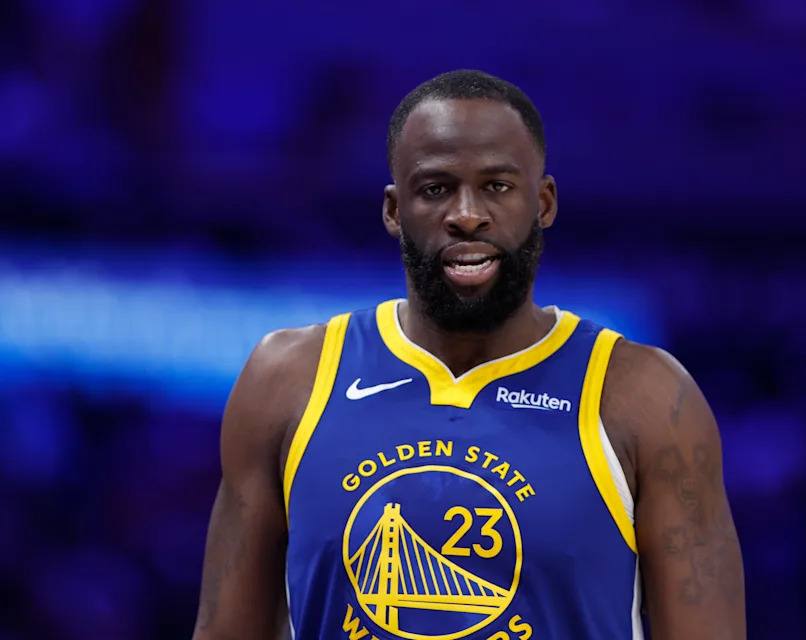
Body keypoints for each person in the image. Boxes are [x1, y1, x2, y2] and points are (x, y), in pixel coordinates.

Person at [192, 69, 746, 640]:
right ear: (393, 210)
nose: (466, 214)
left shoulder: (645, 397)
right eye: (435, 189)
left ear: (544, 202)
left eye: (497, 187)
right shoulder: (288, 378)